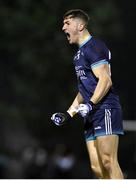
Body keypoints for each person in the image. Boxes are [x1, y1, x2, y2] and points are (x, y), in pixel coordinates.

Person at [51, 9, 124, 179]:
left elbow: (105, 80)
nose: (63, 28)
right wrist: (68, 114)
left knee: (108, 161)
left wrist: (90, 104)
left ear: (81, 25)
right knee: (97, 168)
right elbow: (84, 90)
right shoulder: (78, 55)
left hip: (105, 108)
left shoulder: (95, 46)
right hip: (90, 112)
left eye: (67, 23)